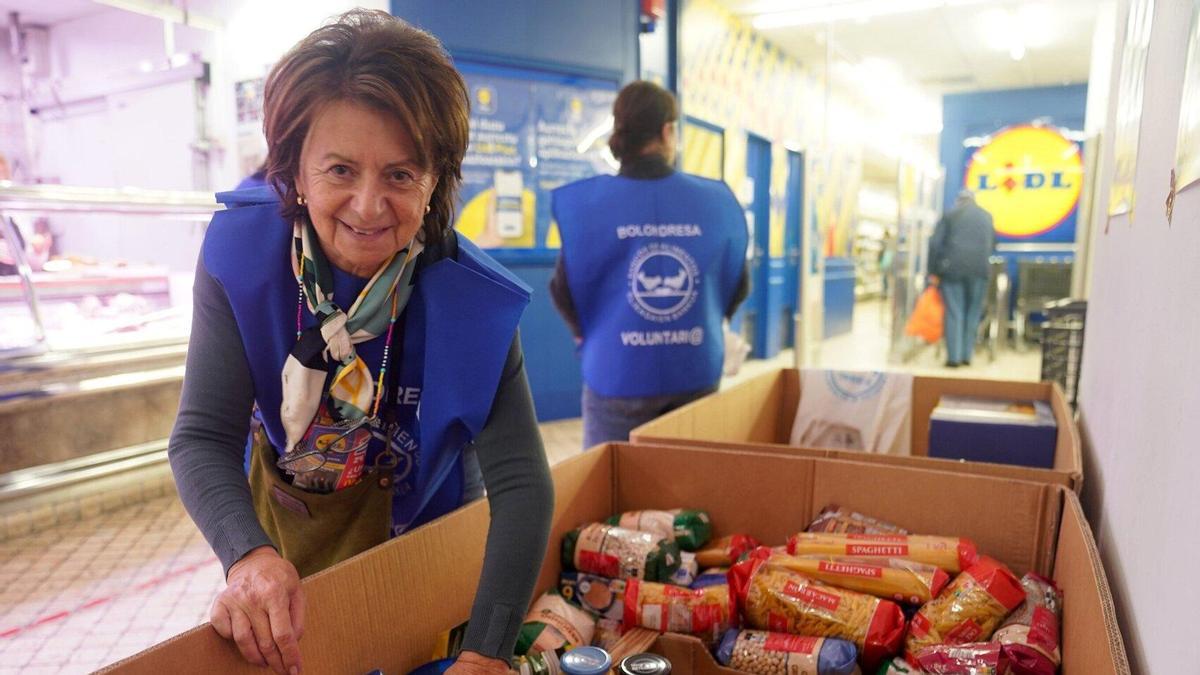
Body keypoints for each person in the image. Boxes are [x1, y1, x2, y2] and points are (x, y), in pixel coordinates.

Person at [168, 11, 553, 675]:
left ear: (436, 181)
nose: (369, 206)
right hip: (283, 528)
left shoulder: (472, 303)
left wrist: (486, 650)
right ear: (294, 168)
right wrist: (246, 554)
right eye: (340, 169)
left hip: (420, 546)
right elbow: (200, 436)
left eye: (401, 175)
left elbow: (522, 484)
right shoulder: (241, 256)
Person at [549, 81, 749, 448]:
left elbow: (562, 289)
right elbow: (739, 284)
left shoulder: (587, 206)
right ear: (667, 130)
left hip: (616, 371)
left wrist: (586, 334)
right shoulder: (717, 203)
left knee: (611, 487)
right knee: (690, 484)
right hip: (695, 367)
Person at [927, 189, 995, 367]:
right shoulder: (986, 217)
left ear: (959, 200)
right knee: (973, 313)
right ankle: (967, 356)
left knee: (954, 312)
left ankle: (953, 358)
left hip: (952, 271)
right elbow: (993, 244)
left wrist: (933, 271)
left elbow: (935, 244)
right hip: (979, 271)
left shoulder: (950, 216)